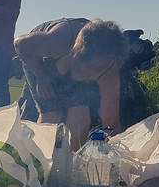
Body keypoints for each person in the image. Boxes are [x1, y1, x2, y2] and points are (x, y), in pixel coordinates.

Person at [14, 19, 128, 150]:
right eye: (90, 69)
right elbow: (19, 45)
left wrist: (117, 154)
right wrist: (41, 76)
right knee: (51, 117)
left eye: (98, 72)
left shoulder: (108, 71)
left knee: (80, 117)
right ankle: (41, 162)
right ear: (78, 52)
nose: (92, 76)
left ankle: (71, 161)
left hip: (66, 63)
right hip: (39, 64)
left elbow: (111, 123)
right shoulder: (57, 42)